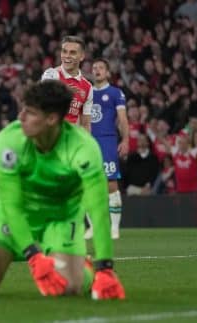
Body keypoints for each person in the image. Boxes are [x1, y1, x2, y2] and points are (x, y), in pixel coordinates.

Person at [0, 80, 125, 300]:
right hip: (12, 216)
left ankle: (88, 269)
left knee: (68, 289)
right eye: (23, 109)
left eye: (31, 112)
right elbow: (11, 204)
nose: (21, 117)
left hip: (60, 219)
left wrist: (105, 267)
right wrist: (34, 257)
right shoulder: (9, 139)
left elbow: (98, 207)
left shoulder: (84, 147)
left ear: (52, 119)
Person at [85, 58, 129, 240]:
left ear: (108, 72)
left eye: (101, 68)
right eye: (94, 68)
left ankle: (114, 228)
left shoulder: (115, 93)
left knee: (111, 183)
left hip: (107, 141)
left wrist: (125, 140)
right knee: (87, 185)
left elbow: (123, 119)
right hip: (88, 142)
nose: (97, 71)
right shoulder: (85, 93)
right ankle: (94, 227)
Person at [41, 35, 93, 132]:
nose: (67, 56)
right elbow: (43, 102)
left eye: (72, 52)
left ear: (81, 56)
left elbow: (86, 123)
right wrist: (64, 91)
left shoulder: (87, 87)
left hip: (71, 139)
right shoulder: (51, 74)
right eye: (64, 51)